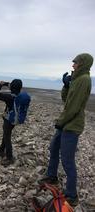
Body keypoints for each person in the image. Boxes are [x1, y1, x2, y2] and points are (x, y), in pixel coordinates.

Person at [38, 53, 92, 207]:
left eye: (75, 63)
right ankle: (52, 176)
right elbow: (66, 100)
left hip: (72, 125)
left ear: (83, 64)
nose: (73, 65)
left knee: (68, 160)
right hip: (66, 123)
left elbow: (74, 107)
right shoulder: (77, 80)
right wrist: (67, 85)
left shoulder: (84, 80)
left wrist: (60, 122)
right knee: (54, 148)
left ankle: (71, 195)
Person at [0, 79, 23, 166]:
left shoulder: (10, 97)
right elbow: (15, 88)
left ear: (12, 87)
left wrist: (0, 85)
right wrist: (8, 85)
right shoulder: (19, 96)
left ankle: (9, 157)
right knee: (6, 134)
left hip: (8, 120)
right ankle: (1, 150)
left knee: (7, 136)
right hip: (14, 119)